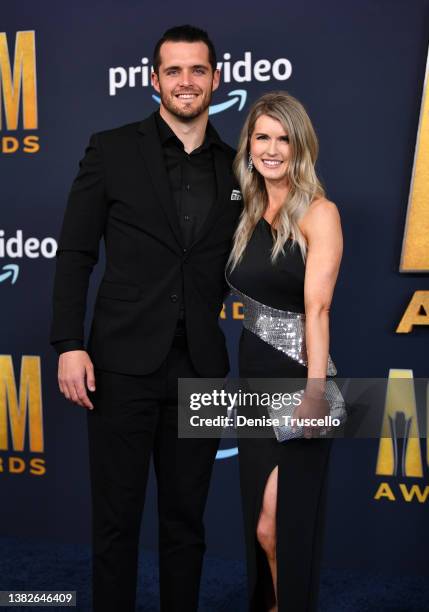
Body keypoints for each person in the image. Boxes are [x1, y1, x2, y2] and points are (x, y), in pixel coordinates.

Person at [50, 25, 241, 612]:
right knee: (116, 522)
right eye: (174, 71)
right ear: (154, 80)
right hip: (119, 366)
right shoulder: (110, 148)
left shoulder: (241, 169)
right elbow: (77, 252)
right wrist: (67, 343)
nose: (187, 82)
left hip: (200, 369)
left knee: (186, 524)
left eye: (198, 70)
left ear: (217, 78)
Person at [226, 91, 343, 611]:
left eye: (284, 139)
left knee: (282, 526)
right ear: (249, 144)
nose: (272, 149)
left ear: (301, 148)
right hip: (252, 384)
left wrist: (316, 393)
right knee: (260, 526)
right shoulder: (246, 209)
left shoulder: (320, 213)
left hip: (300, 383)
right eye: (263, 137)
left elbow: (317, 310)